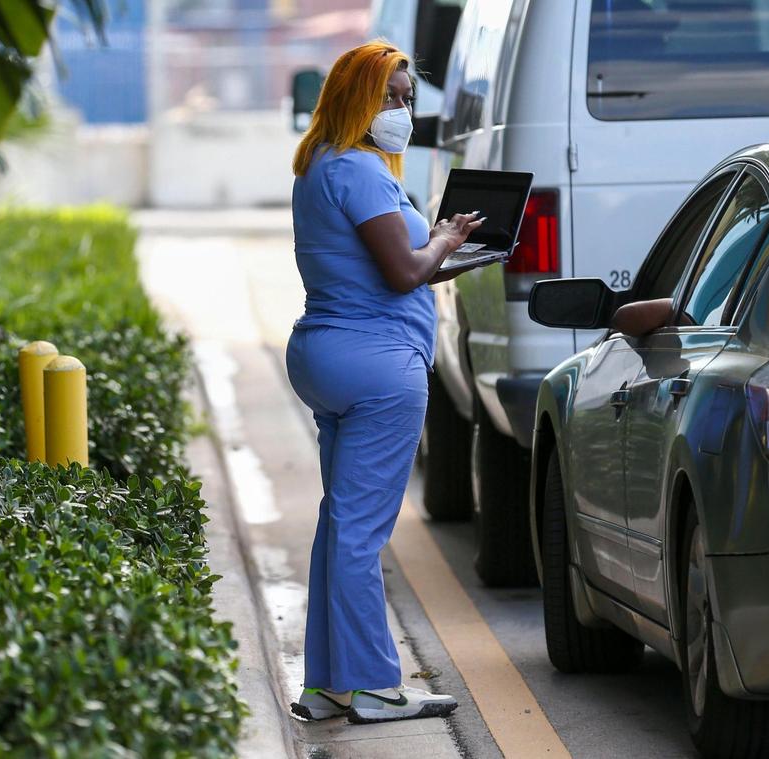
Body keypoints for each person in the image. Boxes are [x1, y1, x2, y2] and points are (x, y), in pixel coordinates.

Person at [284, 41, 483, 724]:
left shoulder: (318, 166)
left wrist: (447, 250)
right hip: (378, 366)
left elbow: (400, 263)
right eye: (391, 95)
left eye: (407, 98)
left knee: (339, 523)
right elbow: (405, 273)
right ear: (356, 97)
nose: (402, 107)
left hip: (325, 354)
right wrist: (448, 240)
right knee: (360, 531)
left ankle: (329, 684)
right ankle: (373, 684)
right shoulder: (365, 173)